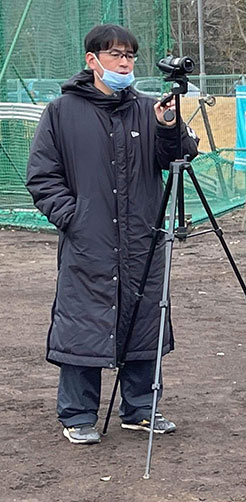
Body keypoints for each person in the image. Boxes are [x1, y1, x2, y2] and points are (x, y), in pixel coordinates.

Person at [27, 24, 199, 444]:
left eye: (130, 56)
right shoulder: (61, 111)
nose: (125, 63)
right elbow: (42, 177)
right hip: (90, 241)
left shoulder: (147, 107)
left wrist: (168, 126)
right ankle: (79, 414)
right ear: (92, 60)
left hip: (143, 237)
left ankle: (140, 409)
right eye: (116, 55)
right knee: (83, 322)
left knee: (144, 320)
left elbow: (178, 157)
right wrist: (74, 217)